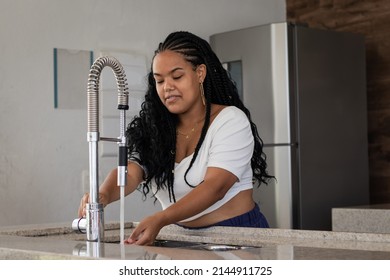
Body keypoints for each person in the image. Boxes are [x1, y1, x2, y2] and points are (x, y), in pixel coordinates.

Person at [78, 31, 273, 246]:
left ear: (200, 73)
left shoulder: (231, 121)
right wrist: (103, 195)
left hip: (237, 238)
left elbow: (215, 188)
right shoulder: (157, 128)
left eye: (177, 76)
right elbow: (130, 172)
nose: (167, 87)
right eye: (159, 81)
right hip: (178, 239)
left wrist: (162, 218)